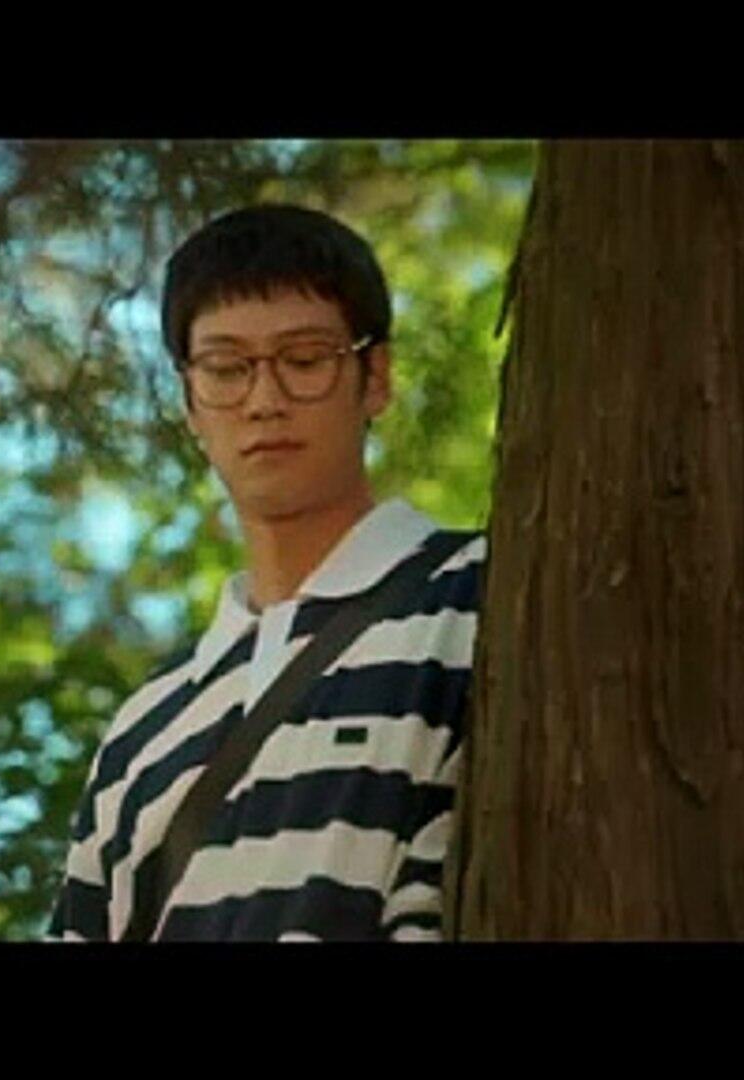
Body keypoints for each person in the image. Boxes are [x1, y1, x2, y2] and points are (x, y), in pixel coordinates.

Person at [47, 205, 484, 941]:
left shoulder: (479, 597)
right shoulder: (141, 732)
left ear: (375, 377)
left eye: (305, 360)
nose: (264, 401)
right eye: (226, 369)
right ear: (190, 402)